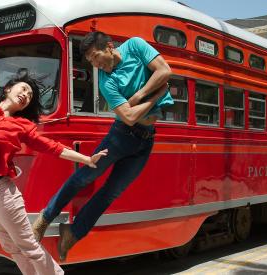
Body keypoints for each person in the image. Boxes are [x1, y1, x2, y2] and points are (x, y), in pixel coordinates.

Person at [0, 25, 107, 275]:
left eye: (29, 95)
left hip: (1, 193)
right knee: (11, 247)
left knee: (28, 246)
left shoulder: (22, 126)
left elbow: (53, 148)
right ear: (9, 89)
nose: (26, 95)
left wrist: (86, 158)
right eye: (23, 89)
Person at [32, 31, 173, 261]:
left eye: (95, 57)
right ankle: (45, 218)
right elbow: (127, 116)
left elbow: (165, 71)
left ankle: (73, 233)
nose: (95, 64)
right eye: (89, 61)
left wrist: (138, 96)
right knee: (84, 177)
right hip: (121, 135)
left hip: (146, 140)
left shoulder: (135, 46)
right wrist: (157, 95)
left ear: (109, 47)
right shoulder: (106, 81)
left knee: (111, 193)